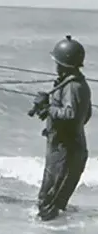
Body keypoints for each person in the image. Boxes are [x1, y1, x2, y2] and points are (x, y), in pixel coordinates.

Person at [32, 35, 91, 222]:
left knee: (47, 205)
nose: (55, 66)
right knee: (54, 205)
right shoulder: (77, 84)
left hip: (65, 152)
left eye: (57, 62)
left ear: (63, 64)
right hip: (69, 149)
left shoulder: (72, 87)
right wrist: (49, 111)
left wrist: (48, 109)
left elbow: (71, 114)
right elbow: (85, 115)